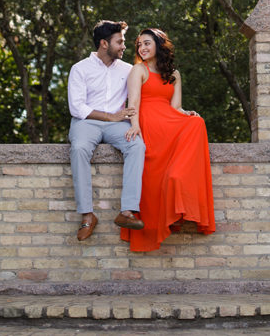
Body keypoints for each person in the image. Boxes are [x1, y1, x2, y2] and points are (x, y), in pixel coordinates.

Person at [120, 28, 215, 252]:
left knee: (197, 123)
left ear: (158, 46)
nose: (142, 48)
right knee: (153, 177)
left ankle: (180, 192)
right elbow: (132, 103)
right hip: (150, 125)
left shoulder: (174, 74)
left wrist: (187, 113)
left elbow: (176, 107)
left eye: (146, 43)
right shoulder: (138, 70)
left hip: (169, 121)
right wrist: (135, 126)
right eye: (139, 45)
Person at [67, 20, 147, 241]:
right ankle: (87, 215)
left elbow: (147, 97)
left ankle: (127, 211)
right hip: (86, 122)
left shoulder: (129, 70)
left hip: (117, 124)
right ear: (104, 43)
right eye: (119, 41)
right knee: (80, 148)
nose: (124, 46)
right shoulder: (80, 69)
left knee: (137, 145)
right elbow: (77, 107)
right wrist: (109, 116)